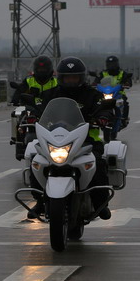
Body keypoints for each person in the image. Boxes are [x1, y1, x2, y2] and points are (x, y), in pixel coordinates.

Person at [34, 57, 113, 220]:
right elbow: (37, 107)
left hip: (87, 142)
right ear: (60, 78)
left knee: (98, 163)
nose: (71, 81)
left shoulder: (92, 95)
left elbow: (103, 108)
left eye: (74, 77)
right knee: (35, 160)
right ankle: (40, 201)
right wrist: (30, 114)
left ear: (81, 78)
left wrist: (104, 116)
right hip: (54, 140)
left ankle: (101, 203)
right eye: (67, 78)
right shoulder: (50, 94)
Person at [94, 55, 132, 125]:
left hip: (119, 93)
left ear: (117, 64)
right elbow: (97, 80)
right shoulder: (103, 73)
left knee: (125, 103)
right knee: (96, 102)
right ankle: (96, 119)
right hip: (105, 93)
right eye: (109, 64)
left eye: (113, 64)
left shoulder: (122, 73)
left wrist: (127, 83)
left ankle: (124, 118)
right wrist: (94, 84)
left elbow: (128, 81)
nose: (111, 66)